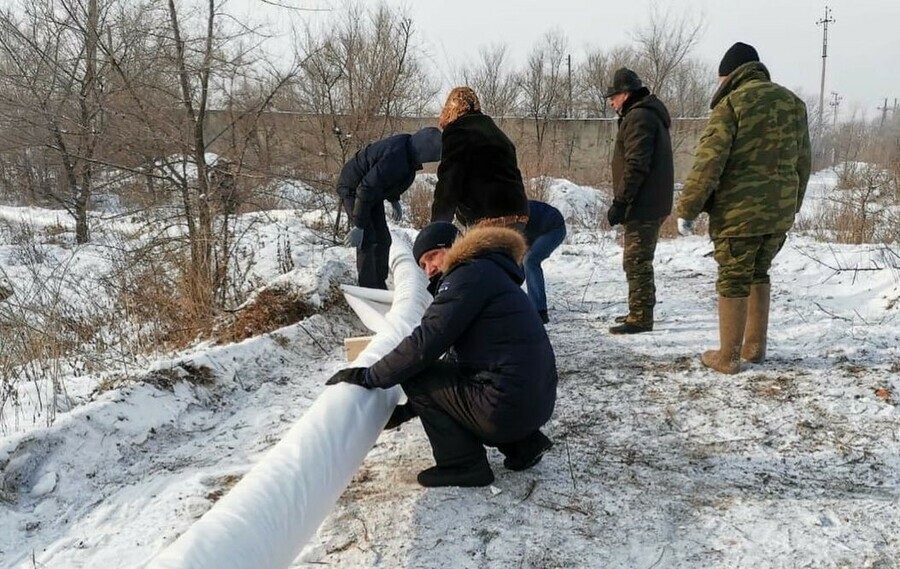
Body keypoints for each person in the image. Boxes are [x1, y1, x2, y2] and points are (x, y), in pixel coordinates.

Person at [327, 223, 558, 488]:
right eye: (422, 265)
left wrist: (369, 376)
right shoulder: (490, 271)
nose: (428, 270)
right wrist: (405, 412)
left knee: (419, 373)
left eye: (431, 257)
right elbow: (456, 367)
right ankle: (524, 446)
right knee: (466, 376)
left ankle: (463, 464)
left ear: (451, 247)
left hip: (506, 408)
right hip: (536, 403)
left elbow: (424, 344)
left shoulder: (466, 277)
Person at [675, 42, 811, 374]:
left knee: (733, 278)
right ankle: (754, 348)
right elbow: (803, 163)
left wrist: (688, 208)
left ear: (728, 75)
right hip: (778, 215)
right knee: (759, 272)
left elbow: (709, 162)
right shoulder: (794, 104)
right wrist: (792, 206)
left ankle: (728, 358)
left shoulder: (732, 104)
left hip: (739, 214)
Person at [604, 67, 674, 335]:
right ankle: (639, 309)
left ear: (626, 94)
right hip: (650, 202)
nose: (611, 102)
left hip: (643, 204)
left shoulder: (639, 118)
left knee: (636, 260)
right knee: (638, 259)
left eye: (614, 96)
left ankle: (641, 317)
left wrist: (621, 202)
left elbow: (636, 165)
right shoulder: (646, 114)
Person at [337, 127, 442, 289]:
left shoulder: (408, 152)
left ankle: (379, 283)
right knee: (368, 239)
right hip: (354, 189)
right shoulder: (395, 157)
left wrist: (394, 199)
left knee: (383, 239)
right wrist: (359, 225)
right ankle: (368, 289)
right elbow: (366, 188)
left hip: (370, 193)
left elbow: (390, 181)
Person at [431, 87, 530, 231]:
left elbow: (449, 183)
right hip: (519, 214)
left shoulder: (457, 132)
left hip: (488, 217)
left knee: (481, 254)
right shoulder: (499, 135)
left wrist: (436, 226)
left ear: (450, 108)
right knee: (505, 254)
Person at [523, 200, 566, 324]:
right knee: (520, 261)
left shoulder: (513, 214)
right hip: (535, 230)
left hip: (554, 228)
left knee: (530, 261)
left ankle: (540, 311)